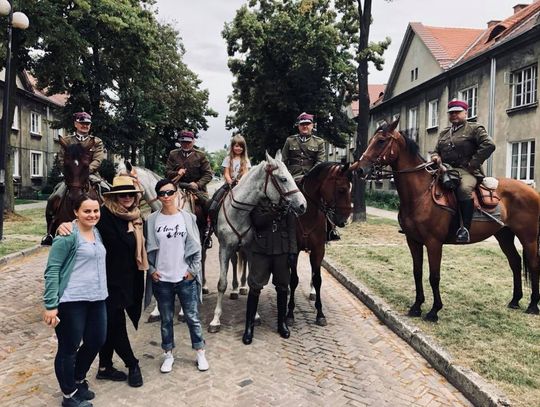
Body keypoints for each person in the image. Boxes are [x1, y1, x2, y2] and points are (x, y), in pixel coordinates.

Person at [57, 176, 147, 388]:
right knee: (115, 326)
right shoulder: (104, 215)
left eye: (130, 194)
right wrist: (64, 225)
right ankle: (132, 363)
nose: (126, 198)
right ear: (114, 196)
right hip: (106, 282)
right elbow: (84, 224)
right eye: (121, 194)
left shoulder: (135, 217)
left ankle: (105, 366)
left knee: (110, 326)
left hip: (128, 280)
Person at [43, 195, 107, 407]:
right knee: (68, 348)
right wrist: (51, 304)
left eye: (95, 211)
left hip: (97, 298)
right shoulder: (68, 235)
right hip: (71, 300)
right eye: (87, 211)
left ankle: (78, 380)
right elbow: (52, 270)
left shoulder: (97, 231)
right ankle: (69, 395)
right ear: (76, 213)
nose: (92, 215)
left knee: (96, 340)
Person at [145, 179, 209, 373]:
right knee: (166, 320)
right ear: (157, 196)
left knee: (192, 317)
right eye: (162, 193)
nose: (166, 196)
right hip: (161, 279)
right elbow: (147, 249)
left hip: (184, 278)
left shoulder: (187, 218)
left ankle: (200, 352)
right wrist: (151, 270)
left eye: (170, 192)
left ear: (176, 194)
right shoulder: (152, 220)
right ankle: (168, 354)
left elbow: (196, 248)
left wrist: (192, 271)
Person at [430, 99, 496, 243]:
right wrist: (435, 157)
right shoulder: (444, 133)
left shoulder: (474, 128)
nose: (454, 115)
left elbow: (489, 145)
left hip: (468, 171)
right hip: (445, 170)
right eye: (451, 113)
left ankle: (464, 229)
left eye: (457, 112)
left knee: (464, 189)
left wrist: (473, 163)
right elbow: (435, 151)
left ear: (465, 113)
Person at [42, 112, 108, 246]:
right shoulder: (67, 141)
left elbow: (98, 159)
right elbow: (61, 159)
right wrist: (71, 172)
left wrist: (85, 170)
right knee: (54, 197)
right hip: (71, 176)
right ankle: (49, 231)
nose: (85, 126)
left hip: (90, 174)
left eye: (87, 124)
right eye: (82, 123)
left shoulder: (96, 141)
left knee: (109, 191)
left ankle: (111, 225)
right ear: (76, 124)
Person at [242, 198, 297, 345]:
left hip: (282, 249)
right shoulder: (259, 200)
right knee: (254, 286)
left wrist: (293, 252)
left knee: (283, 287)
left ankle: (282, 323)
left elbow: (292, 229)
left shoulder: (287, 200)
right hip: (261, 249)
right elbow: (257, 221)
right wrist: (274, 211)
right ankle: (249, 327)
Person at [281, 112, 340, 241]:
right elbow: (284, 161)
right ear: (298, 126)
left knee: (325, 199)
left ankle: (330, 228)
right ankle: (278, 228)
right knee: (282, 200)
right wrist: (287, 176)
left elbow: (320, 162)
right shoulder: (290, 140)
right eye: (302, 125)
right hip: (292, 177)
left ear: (312, 126)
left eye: (307, 124)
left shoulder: (319, 142)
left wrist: (308, 176)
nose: (305, 127)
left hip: (312, 178)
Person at [165, 130, 213, 247]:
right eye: (183, 142)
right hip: (177, 187)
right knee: (161, 202)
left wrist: (198, 184)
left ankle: (207, 230)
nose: (185, 144)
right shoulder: (173, 154)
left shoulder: (200, 155)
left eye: (188, 142)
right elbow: (166, 172)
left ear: (193, 141)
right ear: (180, 142)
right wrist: (177, 172)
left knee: (208, 204)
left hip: (196, 188)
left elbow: (208, 174)